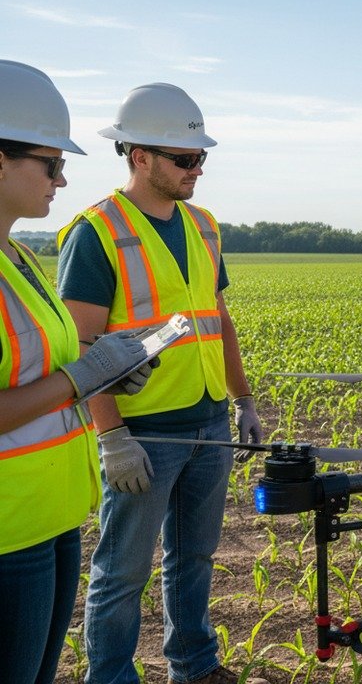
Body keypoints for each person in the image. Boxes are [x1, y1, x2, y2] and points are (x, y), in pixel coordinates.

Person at [56, 83, 266, 684]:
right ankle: (112, 676)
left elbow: (217, 320)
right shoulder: (96, 232)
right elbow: (83, 350)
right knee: (122, 572)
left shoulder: (204, 227)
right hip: (143, 431)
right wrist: (112, 437)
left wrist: (244, 401)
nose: (196, 169)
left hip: (206, 420)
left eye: (201, 157)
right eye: (184, 158)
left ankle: (194, 665)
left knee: (194, 559)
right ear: (137, 155)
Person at [0, 60, 156, 684]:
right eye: (51, 163)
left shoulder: (16, 252)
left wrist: (102, 374)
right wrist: (81, 376)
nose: (63, 180)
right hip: (10, 527)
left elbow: (42, 369)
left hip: (55, 512)